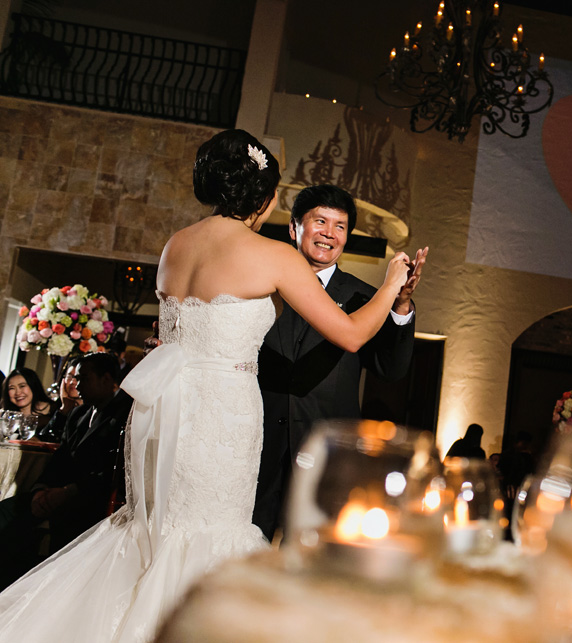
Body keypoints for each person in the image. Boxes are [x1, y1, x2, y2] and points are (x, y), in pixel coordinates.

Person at [0, 129, 411, 641]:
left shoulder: (178, 244)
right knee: (209, 534)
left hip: (164, 409)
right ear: (263, 197)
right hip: (223, 416)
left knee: (160, 529)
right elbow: (350, 334)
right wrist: (393, 282)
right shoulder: (271, 255)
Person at [253, 184, 426, 541]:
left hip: (326, 454)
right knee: (243, 549)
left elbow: (390, 369)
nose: (329, 234)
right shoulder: (261, 286)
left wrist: (400, 304)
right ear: (294, 228)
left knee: (308, 559)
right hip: (256, 443)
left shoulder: (366, 297)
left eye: (340, 226)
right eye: (320, 221)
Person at [0, 353, 134, 590]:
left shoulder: (125, 414)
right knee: (7, 513)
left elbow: (114, 470)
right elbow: (60, 460)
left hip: (90, 500)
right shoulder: (78, 413)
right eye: (74, 378)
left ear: (106, 379)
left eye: (83, 378)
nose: (77, 385)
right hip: (58, 494)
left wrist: (68, 491)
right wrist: (41, 489)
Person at [2, 368, 54, 432]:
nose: (18, 393)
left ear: (33, 386)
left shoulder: (54, 411)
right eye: (12, 388)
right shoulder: (4, 415)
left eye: (22, 386)